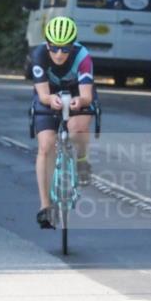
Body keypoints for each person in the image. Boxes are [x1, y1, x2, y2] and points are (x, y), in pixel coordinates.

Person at [30, 15, 95, 229]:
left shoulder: (83, 56)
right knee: (46, 146)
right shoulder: (39, 54)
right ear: (47, 44)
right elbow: (42, 95)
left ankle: (82, 158)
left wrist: (80, 101)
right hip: (49, 94)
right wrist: (51, 100)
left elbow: (86, 95)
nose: (59, 54)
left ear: (73, 46)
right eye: (55, 48)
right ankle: (45, 207)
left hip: (78, 92)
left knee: (77, 128)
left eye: (65, 49)